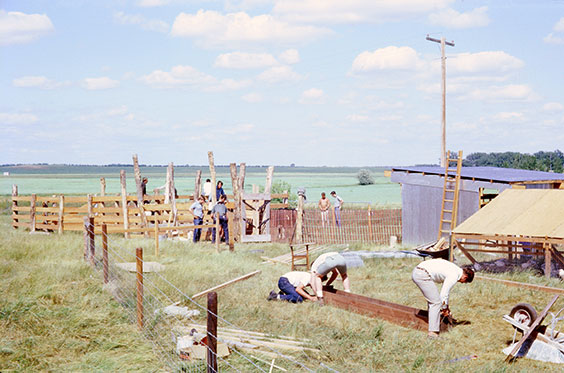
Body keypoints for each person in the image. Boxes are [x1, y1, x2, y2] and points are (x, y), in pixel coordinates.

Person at [411, 259, 474, 338]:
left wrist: (446, 307)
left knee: (434, 299)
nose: (461, 282)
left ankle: (431, 322)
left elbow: (444, 295)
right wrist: (444, 309)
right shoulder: (454, 275)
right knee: (436, 302)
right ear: (465, 277)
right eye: (463, 282)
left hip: (419, 271)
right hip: (421, 274)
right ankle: (432, 334)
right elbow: (444, 294)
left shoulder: (455, 269)